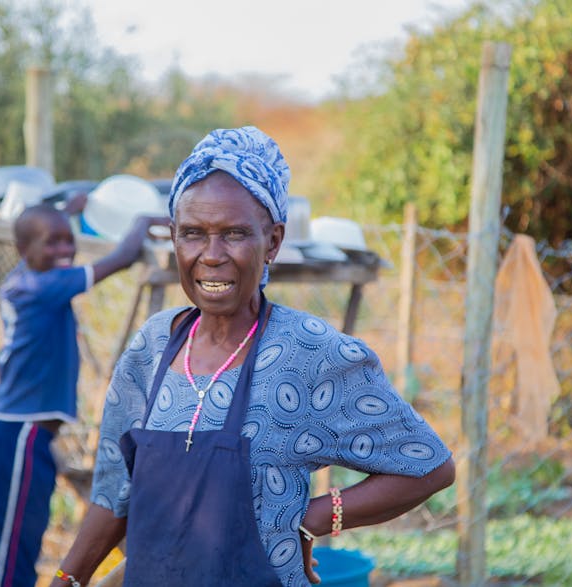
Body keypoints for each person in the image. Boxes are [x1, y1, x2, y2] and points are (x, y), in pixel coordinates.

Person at [49, 127, 455, 587]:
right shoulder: (153, 346)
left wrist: (315, 517)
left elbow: (428, 465)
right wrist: (68, 578)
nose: (212, 255)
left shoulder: (310, 353)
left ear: (274, 242)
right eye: (193, 234)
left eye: (235, 234)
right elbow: (113, 492)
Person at [0, 201, 167, 587]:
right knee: (10, 549)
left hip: (13, 434)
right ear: (23, 249)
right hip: (20, 436)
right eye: (51, 242)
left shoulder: (26, 280)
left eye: (68, 241)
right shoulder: (44, 287)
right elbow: (122, 257)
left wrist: (68, 207)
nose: (64, 251)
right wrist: (143, 219)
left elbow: (46, 231)